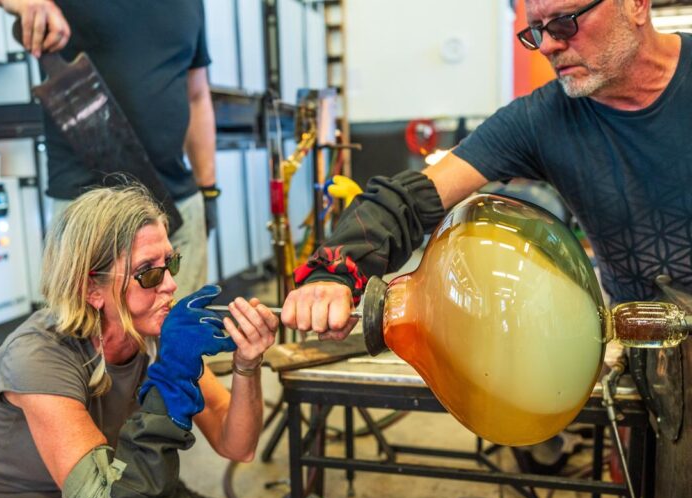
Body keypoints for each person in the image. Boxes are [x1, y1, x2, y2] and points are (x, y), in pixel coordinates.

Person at [281, 0, 692, 337]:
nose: (548, 46)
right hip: (646, 347)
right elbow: (410, 198)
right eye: (537, 31)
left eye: (564, 24)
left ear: (635, 5)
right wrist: (333, 273)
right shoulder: (541, 120)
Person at [0, 185, 278, 498]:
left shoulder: (147, 332)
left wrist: (246, 364)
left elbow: (237, 446)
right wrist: (173, 375)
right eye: (148, 273)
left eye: (170, 263)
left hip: (76, 496)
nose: (170, 284)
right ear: (90, 288)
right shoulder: (38, 357)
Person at [0, 0, 219, 298]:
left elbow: (197, 95)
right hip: (88, 218)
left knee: (179, 339)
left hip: (177, 208)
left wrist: (208, 189)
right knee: (83, 343)